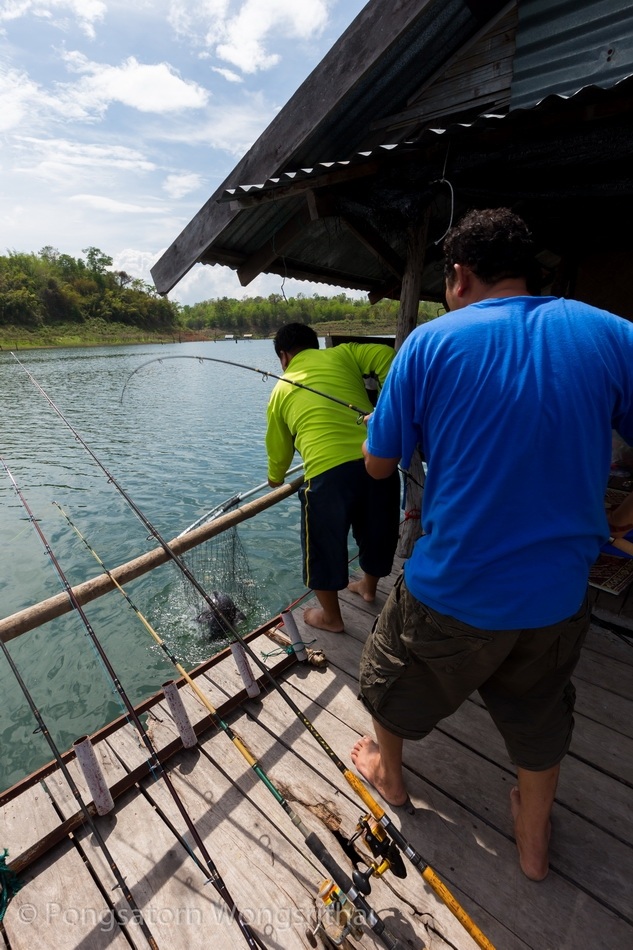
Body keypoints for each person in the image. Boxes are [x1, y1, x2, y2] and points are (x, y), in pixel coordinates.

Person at [351, 208, 633, 881]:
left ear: (457, 275)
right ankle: (532, 840)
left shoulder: (427, 343)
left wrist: (383, 427)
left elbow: (377, 465)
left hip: (454, 585)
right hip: (561, 590)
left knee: (387, 680)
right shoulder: (613, 333)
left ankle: (388, 776)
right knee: (538, 713)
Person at [266, 323, 400, 633]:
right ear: (316, 345)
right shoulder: (345, 353)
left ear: (283, 357)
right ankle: (367, 587)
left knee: (323, 548)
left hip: (327, 475)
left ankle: (331, 618)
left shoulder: (280, 390)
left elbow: (279, 456)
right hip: (375, 456)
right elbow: (390, 357)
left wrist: (275, 479)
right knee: (378, 529)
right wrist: (387, 409)